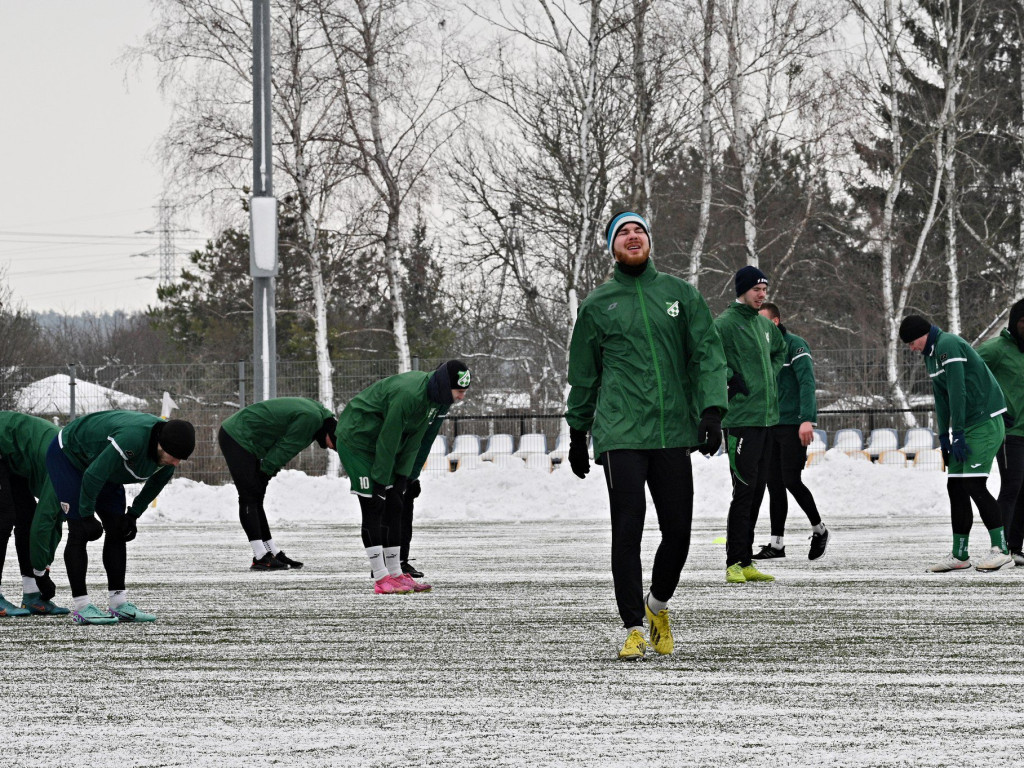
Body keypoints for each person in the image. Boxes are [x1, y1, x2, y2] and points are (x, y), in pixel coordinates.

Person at [566, 211, 728, 661]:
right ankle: (633, 628)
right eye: (622, 232)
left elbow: (708, 355)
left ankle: (657, 607)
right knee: (627, 529)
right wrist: (577, 432)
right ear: (612, 247)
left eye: (638, 230)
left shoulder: (680, 295)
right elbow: (584, 374)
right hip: (621, 433)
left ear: (649, 241)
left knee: (679, 532)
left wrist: (712, 410)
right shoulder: (598, 304)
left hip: (674, 429)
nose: (632, 236)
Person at [334, 360, 471, 595]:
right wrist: (380, 480)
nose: (461, 398)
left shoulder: (438, 401)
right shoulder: (409, 395)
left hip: (380, 443)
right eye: (459, 391)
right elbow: (390, 437)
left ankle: (396, 573)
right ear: (446, 385)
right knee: (373, 503)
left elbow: (419, 440)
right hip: (358, 440)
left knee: (396, 503)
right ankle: (380, 578)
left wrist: (406, 477)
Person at [46, 411, 196, 624]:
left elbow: (156, 483)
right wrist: (87, 515)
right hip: (69, 455)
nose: (176, 463)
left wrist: (133, 515)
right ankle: (81, 606)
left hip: (100, 462)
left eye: (181, 458)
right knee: (80, 529)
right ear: (160, 444)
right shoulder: (132, 439)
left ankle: (118, 603)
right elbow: (93, 475)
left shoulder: (169, 454)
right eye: (174, 456)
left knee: (118, 528)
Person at [899, 315, 1012, 572]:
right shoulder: (931, 354)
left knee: (974, 483)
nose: (911, 347)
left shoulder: (948, 344)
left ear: (924, 333)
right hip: (966, 426)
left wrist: (958, 432)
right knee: (956, 487)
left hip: (985, 422)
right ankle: (960, 555)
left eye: (912, 342)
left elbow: (958, 390)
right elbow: (941, 396)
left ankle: (1002, 549)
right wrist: (944, 435)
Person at [715, 266, 787, 584]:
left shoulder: (764, 325)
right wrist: (732, 380)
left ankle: (746, 561)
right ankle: (733, 561)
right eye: (757, 289)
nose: (762, 294)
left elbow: (780, 351)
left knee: (758, 491)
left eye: (765, 289)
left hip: (766, 420)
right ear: (742, 290)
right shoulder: (724, 324)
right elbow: (708, 360)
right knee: (743, 491)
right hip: (740, 421)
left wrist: (768, 376)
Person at [218, 397, 340, 570]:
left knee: (256, 496)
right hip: (237, 435)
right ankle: (260, 556)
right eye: (334, 445)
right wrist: (265, 471)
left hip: (248, 439)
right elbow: (285, 448)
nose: (331, 448)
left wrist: (265, 472)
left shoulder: (320, 417)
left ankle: (271, 551)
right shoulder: (312, 420)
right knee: (248, 495)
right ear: (332, 434)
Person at [753, 301, 829, 561]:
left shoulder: (796, 345)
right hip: (770, 424)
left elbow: (807, 382)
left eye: (761, 320)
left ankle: (820, 530)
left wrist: (808, 419)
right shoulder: (762, 349)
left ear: (774, 322)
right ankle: (777, 544)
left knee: (790, 480)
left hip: (794, 424)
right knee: (773, 484)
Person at [0, 412, 69, 617]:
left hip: (14, 457)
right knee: (3, 518)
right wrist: (41, 573)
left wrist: (43, 569)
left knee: (27, 518)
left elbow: (54, 522)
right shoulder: (66, 472)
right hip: (6, 445)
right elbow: (45, 521)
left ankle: (32, 596)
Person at [975, 299, 1024, 565]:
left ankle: (1015, 549)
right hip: (1009, 432)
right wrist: (993, 410)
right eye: (1023, 321)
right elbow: (967, 377)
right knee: (1012, 487)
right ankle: (1000, 548)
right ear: (1015, 322)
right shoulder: (995, 349)